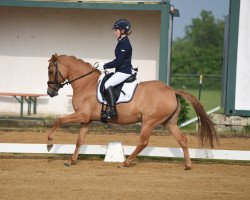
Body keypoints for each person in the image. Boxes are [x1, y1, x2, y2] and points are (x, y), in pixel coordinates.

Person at [97, 19, 133, 120]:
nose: (114, 32)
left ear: (122, 31)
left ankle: (113, 111)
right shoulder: (121, 42)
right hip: (120, 70)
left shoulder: (125, 44)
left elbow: (118, 62)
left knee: (107, 84)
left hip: (124, 71)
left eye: (116, 30)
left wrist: (104, 66)